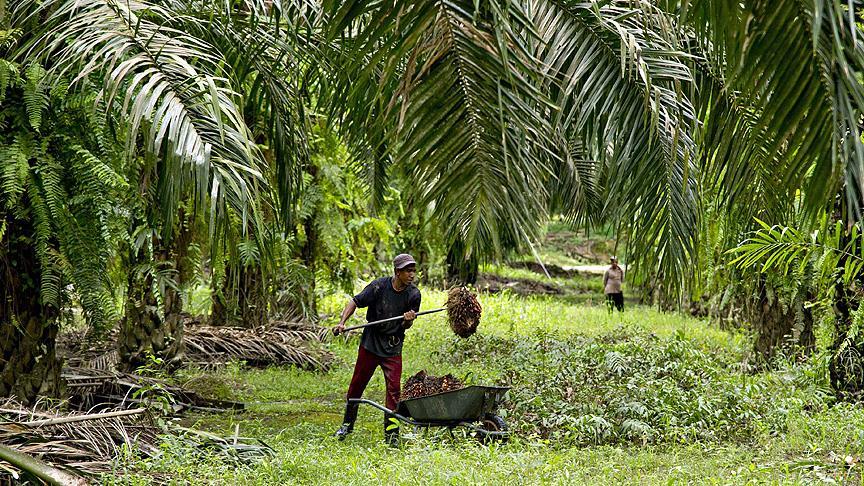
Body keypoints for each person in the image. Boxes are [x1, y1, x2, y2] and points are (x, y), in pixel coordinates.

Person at [332, 253, 421, 445]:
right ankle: (347, 425)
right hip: (371, 343)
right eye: (408, 271)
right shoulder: (379, 286)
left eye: (413, 271)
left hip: (393, 346)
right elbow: (355, 302)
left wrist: (408, 321)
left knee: (394, 390)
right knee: (357, 385)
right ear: (397, 272)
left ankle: (392, 435)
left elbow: (406, 326)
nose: (412, 275)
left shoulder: (414, 295)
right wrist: (342, 322)